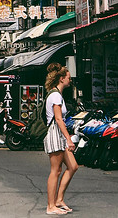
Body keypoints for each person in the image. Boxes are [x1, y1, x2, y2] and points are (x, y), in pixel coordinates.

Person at [43, 63, 78, 215]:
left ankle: (59, 200)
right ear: (62, 78)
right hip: (55, 134)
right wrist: (68, 139)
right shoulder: (55, 95)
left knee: (73, 166)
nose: (70, 80)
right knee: (55, 171)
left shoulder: (57, 94)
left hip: (59, 134)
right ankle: (51, 206)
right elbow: (58, 119)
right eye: (68, 78)